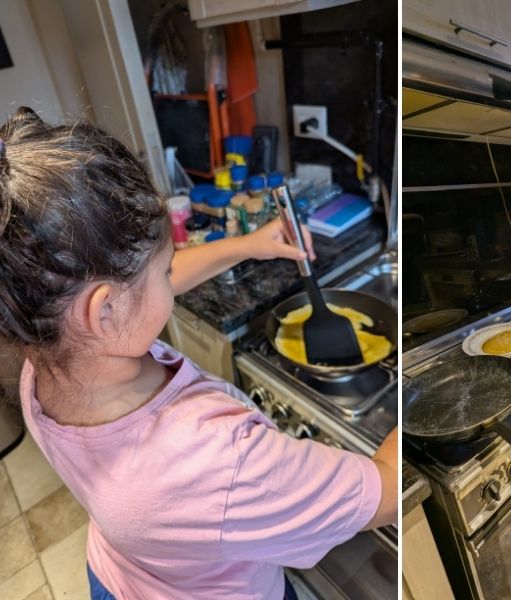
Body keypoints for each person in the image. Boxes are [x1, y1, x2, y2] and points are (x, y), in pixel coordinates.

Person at [0, 107, 397, 600]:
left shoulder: (40, 356)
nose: (172, 279)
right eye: (165, 272)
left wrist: (248, 244)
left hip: (118, 576)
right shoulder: (218, 459)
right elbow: (383, 491)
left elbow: (131, 298)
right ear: (102, 312)